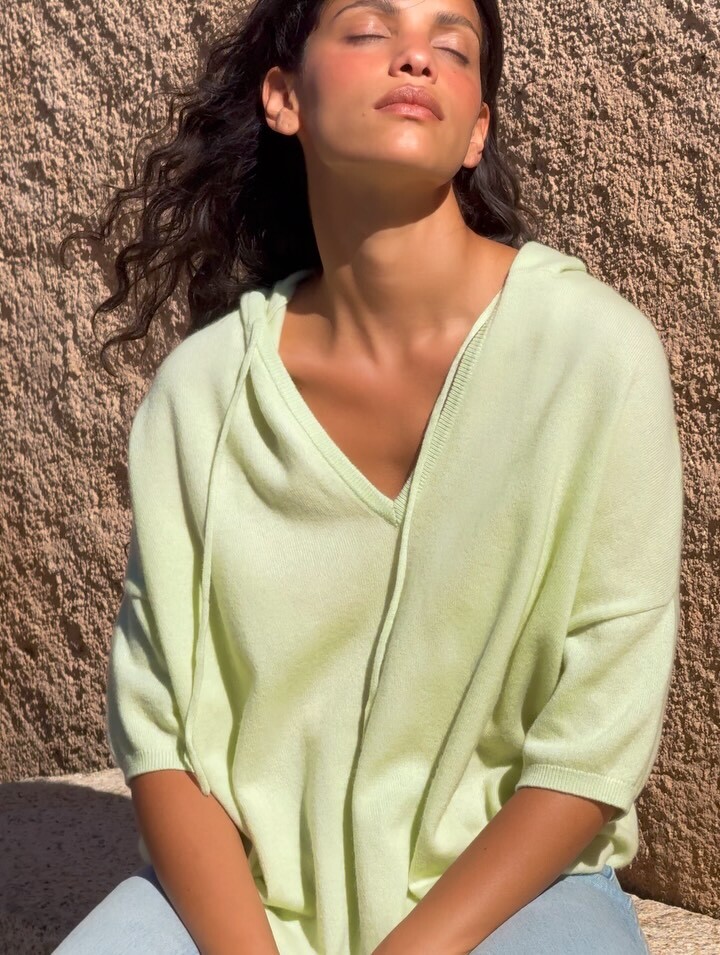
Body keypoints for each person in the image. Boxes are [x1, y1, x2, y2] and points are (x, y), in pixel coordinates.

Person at [55, 0, 683, 952]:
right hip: (248, 906)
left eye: (453, 46)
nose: (417, 59)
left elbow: (594, 742)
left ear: (477, 130)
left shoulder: (596, 357)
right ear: (283, 97)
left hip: (513, 901)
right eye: (369, 30)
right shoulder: (202, 394)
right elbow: (162, 737)